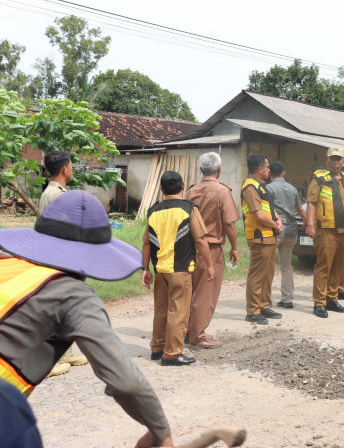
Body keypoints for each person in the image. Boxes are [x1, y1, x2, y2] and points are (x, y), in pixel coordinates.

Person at [0, 190, 175, 446]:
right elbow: (125, 381)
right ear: (95, 256)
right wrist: (162, 431)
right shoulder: (74, 295)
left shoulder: (6, 264)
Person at [142, 171, 214, 365]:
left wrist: (144, 269)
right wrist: (209, 265)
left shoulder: (153, 210)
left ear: (162, 189)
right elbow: (200, 240)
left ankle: (157, 348)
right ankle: (172, 354)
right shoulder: (188, 209)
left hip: (160, 270)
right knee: (179, 312)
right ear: (183, 187)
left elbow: (147, 243)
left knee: (161, 309)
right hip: (180, 269)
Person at [36, 150, 88, 377]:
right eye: (71, 165)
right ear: (64, 169)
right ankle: (45, 360)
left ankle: (63, 353)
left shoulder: (54, 192)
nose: (73, 168)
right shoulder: (56, 195)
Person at [184, 152, 240, 349]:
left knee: (190, 291)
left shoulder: (190, 192)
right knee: (206, 293)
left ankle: (186, 330)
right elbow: (229, 224)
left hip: (190, 247)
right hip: (212, 247)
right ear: (218, 170)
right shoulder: (222, 191)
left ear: (201, 170)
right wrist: (234, 247)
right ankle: (197, 335)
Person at [306, 148, 344, 318]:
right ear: (327, 161)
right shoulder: (319, 178)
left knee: (339, 266)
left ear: (343, 161)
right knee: (324, 266)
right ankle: (319, 302)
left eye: (339, 159)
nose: (336, 162)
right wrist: (310, 225)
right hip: (326, 230)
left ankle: (332, 298)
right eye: (333, 159)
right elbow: (311, 202)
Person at [241, 154, 284, 325]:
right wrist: (275, 225)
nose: (269, 170)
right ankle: (253, 311)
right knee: (257, 275)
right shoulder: (250, 186)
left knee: (268, 274)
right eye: (267, 167)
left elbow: (269, 209)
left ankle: (264, 305)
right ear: (259, 169)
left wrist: (278, 220)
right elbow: (258, 214)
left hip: (269, 236)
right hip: (259, 237)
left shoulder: (262, 186)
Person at [266, 161, 307, 308]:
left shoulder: (267, 189)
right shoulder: (292, 189)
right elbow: (300, 210)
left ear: (269, 173)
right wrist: (308, 223)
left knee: (268, 266)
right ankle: (287, 299)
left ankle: (266, 299)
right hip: (291, 232)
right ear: (284, 173)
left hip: (274, 231)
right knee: (286, 266)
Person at [37, 150, 73, 215]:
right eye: (70, 166)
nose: (72, 169)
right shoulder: (60, 195)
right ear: (64, 169)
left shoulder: (48, 192)